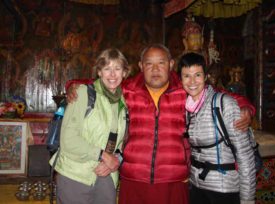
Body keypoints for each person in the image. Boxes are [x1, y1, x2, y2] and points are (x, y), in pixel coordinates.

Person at [65, 44, 255, 204]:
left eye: (161, 63)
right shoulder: (128, 89)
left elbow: (221, 95)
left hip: (173, 180)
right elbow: (100, 83)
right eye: (149, 64)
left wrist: (245, 107)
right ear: (140, 66)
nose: (155, 70)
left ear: (171, 65)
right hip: (134, 179)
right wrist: (72, 85)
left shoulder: (185, 89)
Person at [49, 48, 129, 204]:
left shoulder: (124, 102)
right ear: (99, 72)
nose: (112, 74)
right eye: (107, 69)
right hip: (75, 173)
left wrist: (115, 160)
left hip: (106, 175)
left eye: (117, 69)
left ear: (124, 73)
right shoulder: (83, 94)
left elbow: (122, 142)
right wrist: (103, 156)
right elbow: (68, 140)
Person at [177, 52, 256, 204]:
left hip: (223, 188)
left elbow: (245, 156)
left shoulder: (224, 103)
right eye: (187, 76)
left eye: (198, 75)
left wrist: (247, 199)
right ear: (180, 79)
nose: (192, 81)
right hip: (197, 186)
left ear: (206, 76)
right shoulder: (188, 108)